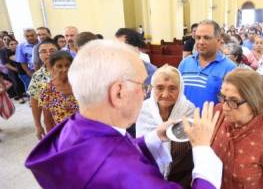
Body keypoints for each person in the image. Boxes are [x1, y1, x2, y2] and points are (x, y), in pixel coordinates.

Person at [25, 40, 222, 189]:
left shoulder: (75, 127)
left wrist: (154, 137)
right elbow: (115, 163)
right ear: (118, 92)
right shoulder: (126, 173)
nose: (146, 93)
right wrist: (203, 149)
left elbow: (110, 149)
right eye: (143, 85)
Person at [211, 68, 263, 189]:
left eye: (233, 101)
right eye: (223, 97)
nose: (225, 107)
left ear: (254, 101)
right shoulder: (218, 113)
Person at [136, 65, 195, 188]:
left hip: (181, 177)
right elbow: (139, 148)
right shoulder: (142, 109)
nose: (165, 94)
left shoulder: (189, 110)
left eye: (172, 88)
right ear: (152, 89)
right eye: (160, 88)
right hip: (148, 175)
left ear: (181, 89)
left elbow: (194, 146)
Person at [178, 20, 236, 109]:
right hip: (184, 121)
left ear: (218, 40)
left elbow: (232, 102)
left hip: (212, 122)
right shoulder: (185, 63)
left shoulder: (230, 68)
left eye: (206, 37)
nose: (201, 42)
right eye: (198, 37)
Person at [27, 39, 59, 139]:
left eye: (52, 50)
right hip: (51, 120)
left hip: (74, 118)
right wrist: (37, 125)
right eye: (43, 51)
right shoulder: (38, 76)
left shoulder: (71, 70)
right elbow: (35, 101)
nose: (48, 54)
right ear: (39, 55)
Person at [38, 51, 77, 130]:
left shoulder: (80, 85)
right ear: (53, 68)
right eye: (59, 66)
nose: (64, 69)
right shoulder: (47, 90)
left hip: (84, 131)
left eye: (67, 65)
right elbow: (48, 120)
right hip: (63, 133)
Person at [0, 39, 25, 103]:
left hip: (22, 70)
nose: (14, 45)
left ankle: (24, 93)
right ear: (8, 46)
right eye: (11, 44)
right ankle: (20, 97)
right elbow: (5, 63)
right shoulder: (6, 52)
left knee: (22, 82)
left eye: (15, 44)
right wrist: (15, 69)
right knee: (16, 82)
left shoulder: (20, 51)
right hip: (12, 71)